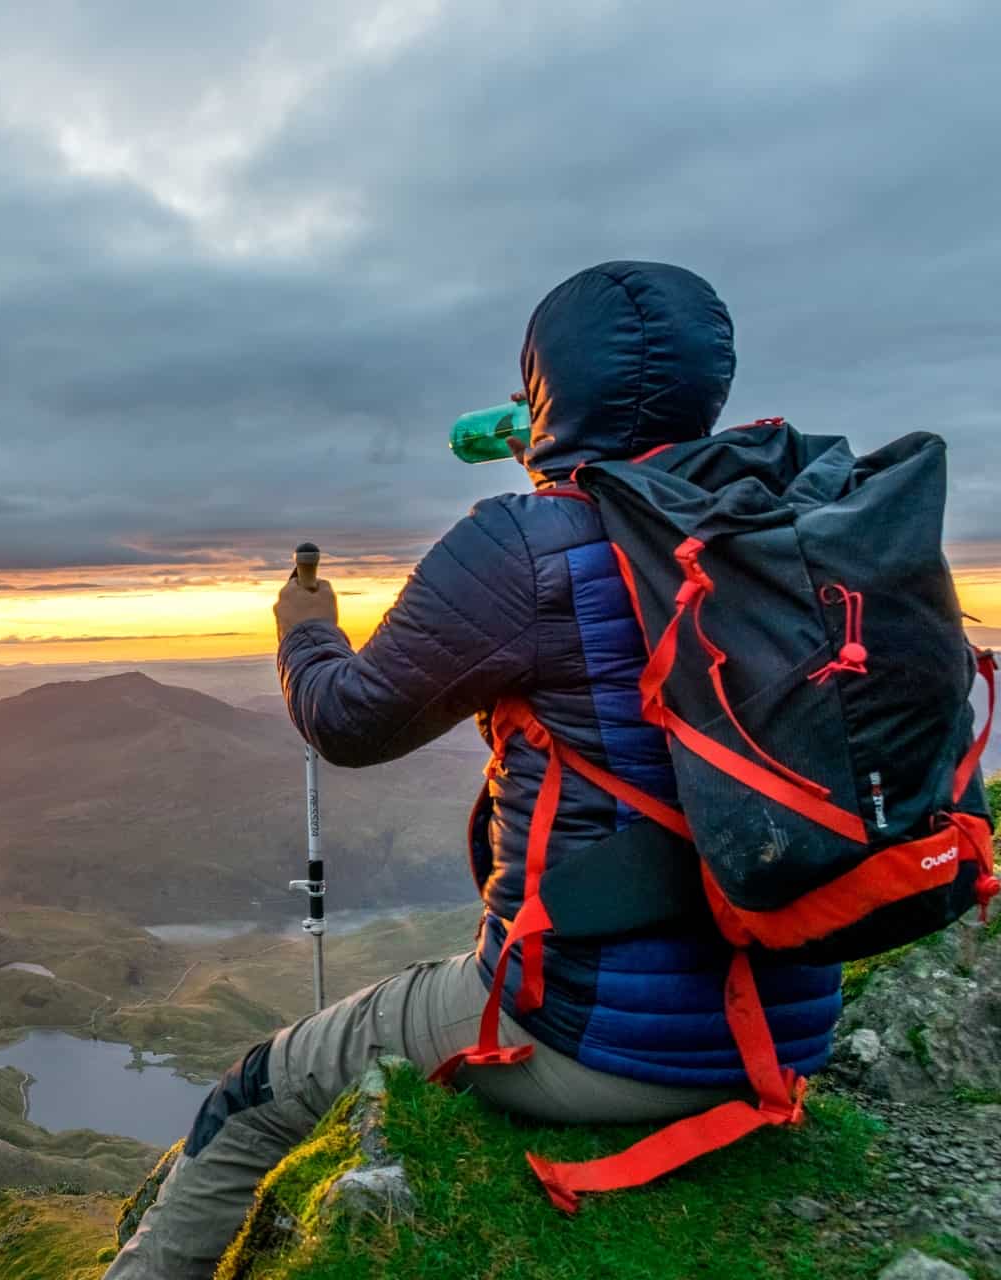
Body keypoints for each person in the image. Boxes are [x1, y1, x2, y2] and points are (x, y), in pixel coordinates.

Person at [102, 262, 844, 1279]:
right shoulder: (796, 527)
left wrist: (305, 631)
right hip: (795, 1020)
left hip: (595, 1041)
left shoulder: (525, 544)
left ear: (546, 388)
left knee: (258, 1085)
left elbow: (349, 720)